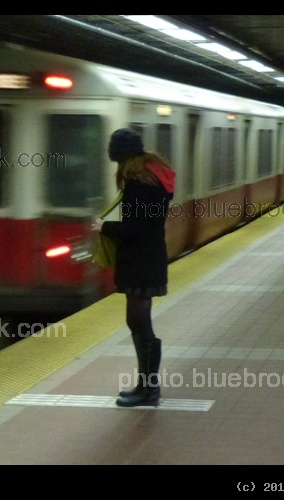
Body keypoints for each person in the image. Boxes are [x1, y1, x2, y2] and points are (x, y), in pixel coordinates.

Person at [91, 128, 175, 407]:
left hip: (141, 261)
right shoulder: (151, 179)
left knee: (140, 324)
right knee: (137, 323)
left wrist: (105, 227)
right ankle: (144, 386)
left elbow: (137, 229)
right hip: (146, 259)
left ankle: (149, 390)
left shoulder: (139, 184)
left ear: (122, 156)